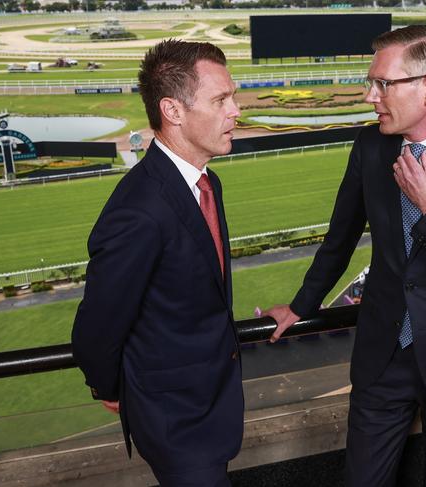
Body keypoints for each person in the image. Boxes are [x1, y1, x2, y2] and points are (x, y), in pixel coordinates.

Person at [265, 25, 426, 487]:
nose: (371, 96)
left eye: (383, 84)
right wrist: (303, 304)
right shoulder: (370, 146)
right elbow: (340, 236)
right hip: (382, 357)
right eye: (372, 82)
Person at [72, 39, 242, 487]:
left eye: (234, 96)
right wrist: (109, 388)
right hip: (175, 425)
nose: (236, 111)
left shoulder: (208, 182)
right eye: (221, 99)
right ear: (173, 110)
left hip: (210, 408)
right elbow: (96, 326)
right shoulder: (140, 208)